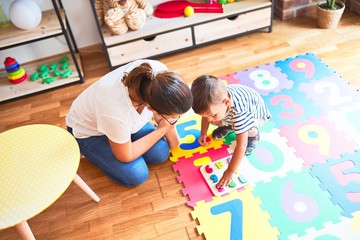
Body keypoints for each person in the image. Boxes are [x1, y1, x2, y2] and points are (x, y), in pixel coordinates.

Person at [66, 59, 193, 187]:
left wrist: (170, 133)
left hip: (120, 123)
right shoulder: (115, 112)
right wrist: (162, 130)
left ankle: (120, 140)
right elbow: (126, 156)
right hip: (88, 132)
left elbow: (173, 140)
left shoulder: (159, 74)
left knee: (160, 153)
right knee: (137, 175)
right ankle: (94, 153)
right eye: (173, 117)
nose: (173, 120)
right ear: (152, 109)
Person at [191, 75, 271, 189]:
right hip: (230, 115)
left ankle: (254, 135)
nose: (208, 119)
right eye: (205, 116)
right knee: (215, 120)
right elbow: (207, 115)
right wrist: (203, 133)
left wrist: (230, 171)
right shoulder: (215, 104)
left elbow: (241, 145)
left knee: (247, 130)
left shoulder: (240, 113)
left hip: (256, 116)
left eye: (212, 115)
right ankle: (230, 126)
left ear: (226, 102)